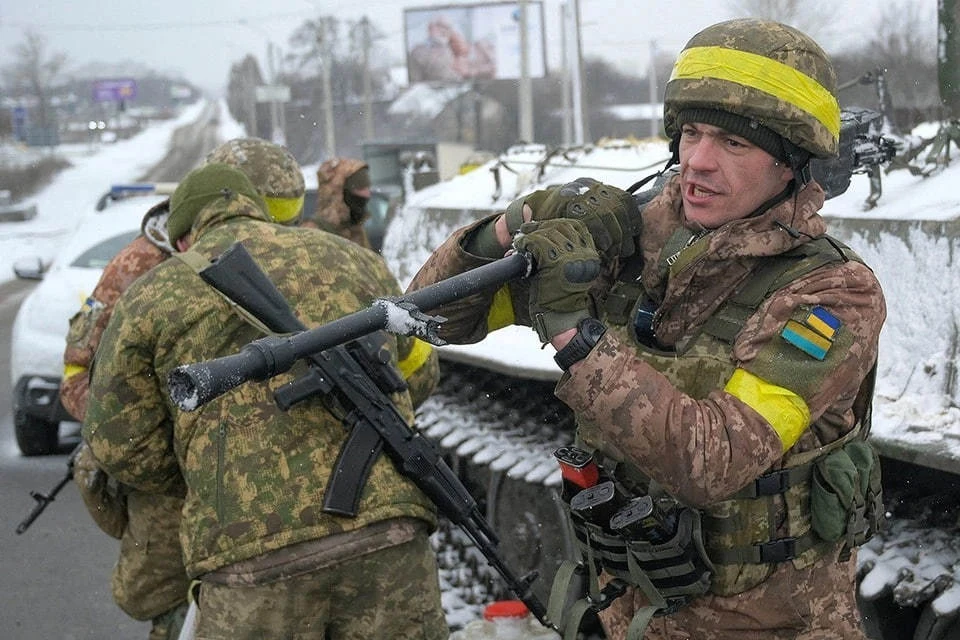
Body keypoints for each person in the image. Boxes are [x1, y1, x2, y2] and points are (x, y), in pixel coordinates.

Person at [406, 18, 883, 640]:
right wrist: (515, 222)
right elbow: (432, 315)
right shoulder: (632, 244)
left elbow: (715, 461)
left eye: (734, 144)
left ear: (790, 164)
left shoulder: (830, 294)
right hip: (625, 614)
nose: (699, 162)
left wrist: (575, 336)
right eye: (691, 134)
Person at [81, 163, 446, 640]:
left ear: (185, 237)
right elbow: (416, 376)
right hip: (388, 534)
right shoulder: (355, 259)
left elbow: (116, 441)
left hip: (249, 558)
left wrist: (208, 470)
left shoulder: (150, 294)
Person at [61, 137, 309, 640]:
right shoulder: (139, 268)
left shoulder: (290, 254)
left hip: (266, 472)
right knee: (172, 600)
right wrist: (174, 450)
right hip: (175, 477)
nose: (276, 236)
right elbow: (79, 379)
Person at [302, 157, 374, 249]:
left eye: (367, 187)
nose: (367, 194)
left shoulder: (356, 230)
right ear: (338, 194)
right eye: (360, 188)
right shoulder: (312, 233)